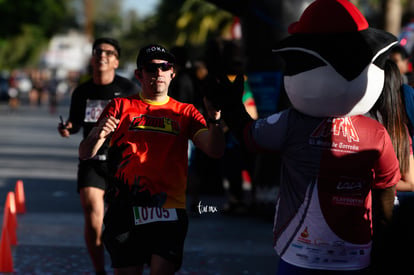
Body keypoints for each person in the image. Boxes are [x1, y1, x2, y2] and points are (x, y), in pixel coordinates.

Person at [206, 0, 401, 274]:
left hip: (298, 252)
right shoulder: (376, 132)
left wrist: (231, 107)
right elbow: (386, 191)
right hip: (357, 254)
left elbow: (249, 136)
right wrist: (384, 239)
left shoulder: (291, 123)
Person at [78, 44, 225, 275]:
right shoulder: (120, 106)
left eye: (164, 67)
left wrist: (215, 120)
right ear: (139, 74)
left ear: (172, 73)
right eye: (151, 67)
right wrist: (98, 134)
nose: (158, 73)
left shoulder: (186, 112)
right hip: (125, 208)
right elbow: (85, 153)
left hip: (169, 209)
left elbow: (215, 150)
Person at [57, 37, 139, 275]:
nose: (102, 55)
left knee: (118, 223)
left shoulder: (128, 90)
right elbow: (75, 123)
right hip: (91, 160)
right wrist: (67, 128)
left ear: (116, 61)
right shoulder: (82, 91)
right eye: (98, 52)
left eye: (108, 52)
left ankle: (123, 263)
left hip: (121, 163)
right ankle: (99, 271)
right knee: (93, 216)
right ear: (92, 59)